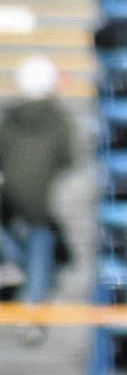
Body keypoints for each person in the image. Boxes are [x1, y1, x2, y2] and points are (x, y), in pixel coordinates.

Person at [0, 56, 75, 341]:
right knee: (40, 242)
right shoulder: (59, 119)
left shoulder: (10, 117)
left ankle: (15, 264)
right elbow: (69, 158)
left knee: (29, 240)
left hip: (10, 194)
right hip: (42, 196)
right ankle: (31, 311)